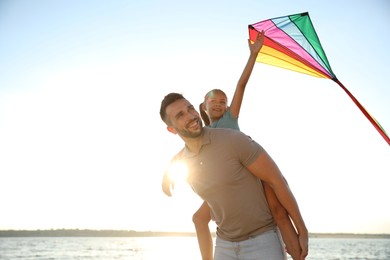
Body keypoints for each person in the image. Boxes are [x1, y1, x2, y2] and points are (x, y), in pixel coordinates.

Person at [164, 31, 302, 259]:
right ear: (203, 106)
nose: (219, 104)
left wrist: (253, 55)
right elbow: (182, 155)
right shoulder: (199, 133)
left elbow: (241, 85)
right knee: (199, 218)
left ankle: (295, 248)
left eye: (223, 102)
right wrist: (167, 174)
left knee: (276, 210)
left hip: (248, 171)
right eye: (213, 101)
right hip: (225, 186)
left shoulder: (230, 119)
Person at [160, 93, 309, 260]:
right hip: (224, 245)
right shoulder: (183, 162)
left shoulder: (234, 140)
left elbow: (277, 181)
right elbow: (181, 157)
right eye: (180, 115)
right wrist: (167, 173)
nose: (191, 116)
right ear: (172, 129)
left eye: (190, 109)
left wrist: (302, 231)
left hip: (262, 241)